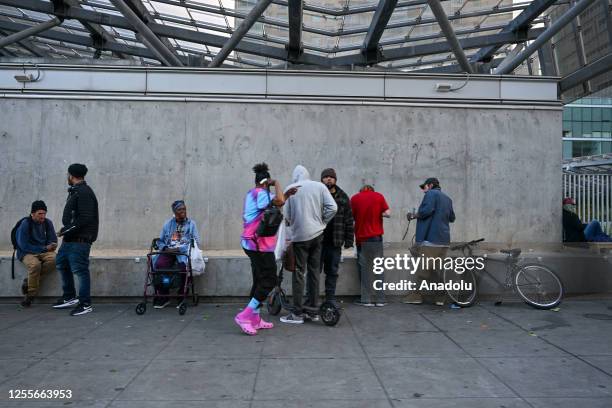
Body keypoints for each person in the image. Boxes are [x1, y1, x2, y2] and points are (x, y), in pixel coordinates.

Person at [234, 163, 297, 335]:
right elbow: (279, 201)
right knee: (270, 279)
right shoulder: (260, 193)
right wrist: (276, 183)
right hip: (258, 245)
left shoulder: (253, 193)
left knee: (259, 279)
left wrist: (286, 195)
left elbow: (276, 202)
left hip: (252, 243)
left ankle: (255, 318)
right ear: (265, 182)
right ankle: (245, 316)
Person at [280, 165, 337, 324]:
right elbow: (333, 207)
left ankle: (297, 313)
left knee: (299, 272)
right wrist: (323, 222)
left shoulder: (291, 188)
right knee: (314, 271)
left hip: (300, 237)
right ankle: (313, 310)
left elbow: (288, 216)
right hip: (318, 235)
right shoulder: (319, 186)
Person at [53, 163, 99, 316]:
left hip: (80, 240)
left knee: (80, 271)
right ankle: (69, 297)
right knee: (62, 264)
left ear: (71, 175)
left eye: (68, 175)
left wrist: (66, 229)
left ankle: (85, 304)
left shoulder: (84, 192)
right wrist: (66, 231)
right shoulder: (76, 191)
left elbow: (85, 218)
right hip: (70, 239)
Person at [405, 177, 455, 306]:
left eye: (424, 187)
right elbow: (452, 218)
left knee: (423, 270)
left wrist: (413, 215)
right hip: (444, 241)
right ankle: (440, 298)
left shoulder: (431, 194)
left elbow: (426, 211)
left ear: (431, 185)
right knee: (438, 272)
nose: (423, 190)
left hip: (431, 240)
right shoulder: (447, 199)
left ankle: (416, 296)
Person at [307, 168, 353, 307]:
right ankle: (311, 299)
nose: (328, 179)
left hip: (335, 242)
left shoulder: (343, 196)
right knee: (313, 272)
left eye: (331, 177)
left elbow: (349, 220)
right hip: (317, 241)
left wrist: (349, 240)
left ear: (335, 179)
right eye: (326, 177)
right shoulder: (317, 194)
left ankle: (330, 299)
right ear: (321, 180)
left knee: (332, 272)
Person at [154, 200, 201, 309]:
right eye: (180, 210)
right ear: (174, 212)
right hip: (169, 251)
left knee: (184, 267)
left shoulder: (191, 224)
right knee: (159, 265)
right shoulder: (168, 224)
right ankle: (164, 296)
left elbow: (196, 241)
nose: (183, 211)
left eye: (184, 209)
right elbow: (160, 241)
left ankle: (181, 295)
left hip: (183, 252)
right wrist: (165, 248)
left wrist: (180, 248)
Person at [350, 184, 390, 307]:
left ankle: (366, 299)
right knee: (378, 269)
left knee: (365, 269)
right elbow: (388, 213)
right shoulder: (379, 196)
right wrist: (379, 213)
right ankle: (380, 299)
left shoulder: (355, 198)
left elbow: (350, 218)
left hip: (362, 239)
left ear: (361, 190)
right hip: (376, 238)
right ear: (372, 189)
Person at [15, 200, 58, 307]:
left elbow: (53, 239)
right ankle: (30, 295)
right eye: (40, 214)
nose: (43, 216)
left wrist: (53, 245)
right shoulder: (26, 224)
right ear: (32, 213)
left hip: (43, 251)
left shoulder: (48, 223)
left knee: (56, 259)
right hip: (26, 252)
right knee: (35, 265)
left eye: (44, 213)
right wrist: (44, 248)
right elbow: (23, 245)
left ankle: (29, 281)